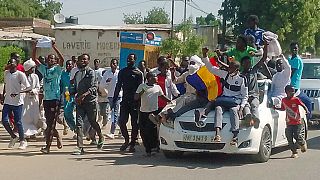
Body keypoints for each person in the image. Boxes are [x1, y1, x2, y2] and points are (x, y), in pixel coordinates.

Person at [202, 48, 248, 146]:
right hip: (224, 100)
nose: (228, 69)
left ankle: (235, 136)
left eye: (231, 68)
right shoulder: (225, 74)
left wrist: (242, 107)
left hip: (235, 101)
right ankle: (217, 134)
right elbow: (211, 69)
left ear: (236, 70)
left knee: (234, 111)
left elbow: (245, 96)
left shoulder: (242, 79)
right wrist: (205, 56)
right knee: (218, 109)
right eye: (229, 67)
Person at [32, 40, 64, 154]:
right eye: (49, 58)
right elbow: (34, 59)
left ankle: (47, 147)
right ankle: (57, 136)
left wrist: (54, 47)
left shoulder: (57, 69)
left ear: (55, 61)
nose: (50, 60)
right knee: (49, 123)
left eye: (53, 58)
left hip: (55, 99)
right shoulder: (44, 69)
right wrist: (35, 47)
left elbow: (62, 60)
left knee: (51, 124)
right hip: (46, 99)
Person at [72, 54, 105, 155]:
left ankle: (100, 135)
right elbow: (75, 88)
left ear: (88, 61)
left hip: (90, 102)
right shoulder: (77, 74)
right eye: (81, 59)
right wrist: (71, 93)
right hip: (80, 103)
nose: (83, 61)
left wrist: (83, 96)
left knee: (92, 121)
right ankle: (80, 147)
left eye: (85, 59)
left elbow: (93, 87)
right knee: (79, 124)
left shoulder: (91, 73)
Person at [135, 72, 171, 157]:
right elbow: (136, 97)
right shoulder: (142, 86)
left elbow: (162, 96)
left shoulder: (157, 87)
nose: (157, 78)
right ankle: (148, 149)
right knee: (143, 132)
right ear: (150, 78)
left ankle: (152, 149)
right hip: (143, 112)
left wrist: (171, 101)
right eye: (155, 77)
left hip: (153, 113)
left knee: (151, 131)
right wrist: (142, 92)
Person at [113, 53, 143, 152]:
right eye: (128, 59)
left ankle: (132, 144)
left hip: (135, 102)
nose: (129, 61)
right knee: (122, 122)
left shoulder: (138, 73)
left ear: (135, 60)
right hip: (125, 101)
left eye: (131, 59)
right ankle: (126, 140)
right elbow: (118, 86)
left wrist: (140, 102)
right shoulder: (122, 72)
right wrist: (114, 99)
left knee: (135, 124)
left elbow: (141, 89)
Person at [1, 59, 31, 149]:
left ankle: (23, 141)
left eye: (12, 62)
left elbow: (29, 87)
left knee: (18, 122)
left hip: (17, 102)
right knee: (4, 121)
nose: (10, 64)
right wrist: (3, 95)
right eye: (9, 62)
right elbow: (6, 85)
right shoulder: (6, 73)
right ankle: (14, 136)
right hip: (7, 101)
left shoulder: (20, 74)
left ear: (16, 64)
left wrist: (19, 92)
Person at [274, 85, 308, 158]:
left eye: (293, 91)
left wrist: (306, 110)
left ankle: (302, 143)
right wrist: (275, 108)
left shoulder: (296, 99)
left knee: (297, 135)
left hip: (297, 122)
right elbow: (283, 108)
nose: (293, 93)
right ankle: (294, 152)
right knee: (289, 138)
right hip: (289, 122)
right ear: (286, 92)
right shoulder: (284, 100)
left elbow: (303, 105)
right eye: (291, 91)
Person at [240, 40, 270, 127]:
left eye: (249, 63)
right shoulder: (240, 75)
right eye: (246, 63)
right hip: (244, 98)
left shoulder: (253, 71)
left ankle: (256, 119)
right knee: (246, 106)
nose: (248, 65)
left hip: (254, 96)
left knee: (254, 105)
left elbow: (263, 58)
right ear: (242, 65)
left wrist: (265, 46)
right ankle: (248, 117)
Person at [288, 42, 312, 120]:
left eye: (296, 48)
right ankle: (308, 119)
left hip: (291, 85)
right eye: (293, 48)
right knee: (308, 101)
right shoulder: (296, 60)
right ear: (290, 49)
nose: (294, 49)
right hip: (294, 86)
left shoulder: (292, 59)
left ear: (298, 49)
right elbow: (291, 73)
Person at [101, 59, 122, 139]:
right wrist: (107, 83)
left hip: (118, 96)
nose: (113, 65)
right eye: (112, 63)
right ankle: (122, 127)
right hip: (110, 96)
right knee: (115, 114)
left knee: (115, 113)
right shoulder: (107, 73)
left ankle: (112, 132)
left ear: (117, 65)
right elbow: (102, 85)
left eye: (115, 63)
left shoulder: (119, 73)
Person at [22, 59, 43, 137]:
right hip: (24, 99)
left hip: (34, 100)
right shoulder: (22, 76)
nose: (33, 69)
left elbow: (38, 87)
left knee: (34, 116)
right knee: (25, 116)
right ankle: (26, 133)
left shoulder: (35, 76)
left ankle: (33, 132)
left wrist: (33, 91)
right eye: (32, 68)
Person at [60, 60, 76, 133]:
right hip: (67, 96)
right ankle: (75, 128)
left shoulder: (76, 73)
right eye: (67, 65)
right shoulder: (63, 74)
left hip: (76, 95)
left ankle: (80, 129)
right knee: (67, 114)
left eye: (70, 65)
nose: (69, 66)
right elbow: (61, 85)